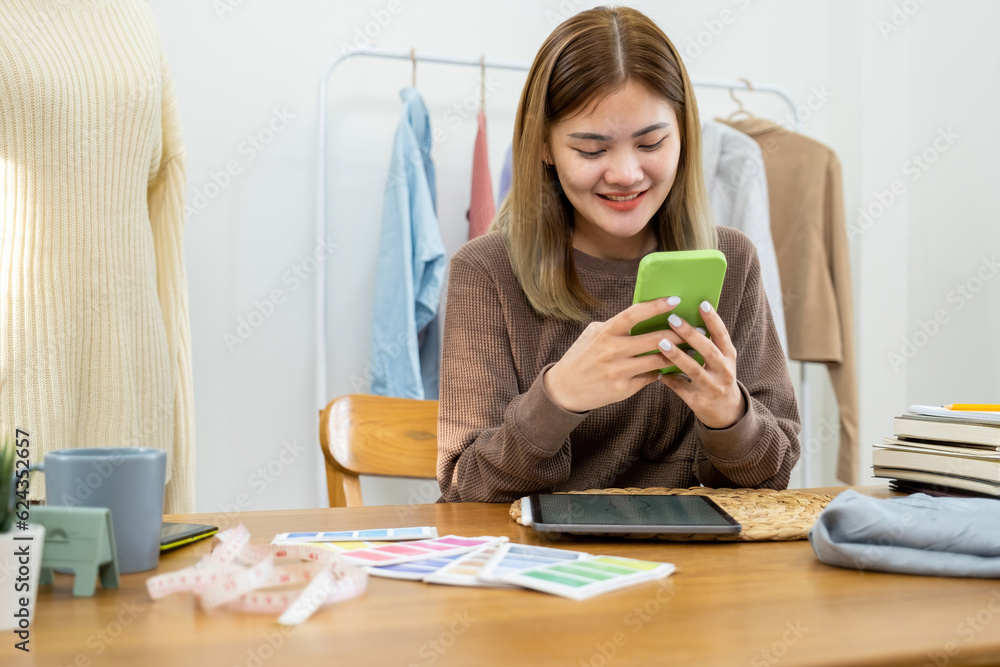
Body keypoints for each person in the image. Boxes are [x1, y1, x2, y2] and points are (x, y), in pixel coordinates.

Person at [436, 6, 801, 503]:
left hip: (697, 573)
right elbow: (466, 489)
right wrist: (560, 396)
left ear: (684, 136)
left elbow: (774, 477)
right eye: (591, 150)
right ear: (544, 146)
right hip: (543, 569)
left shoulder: (730, 260)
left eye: (651, 142)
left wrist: (728, 415)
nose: (626, 174)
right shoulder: (486, 273)